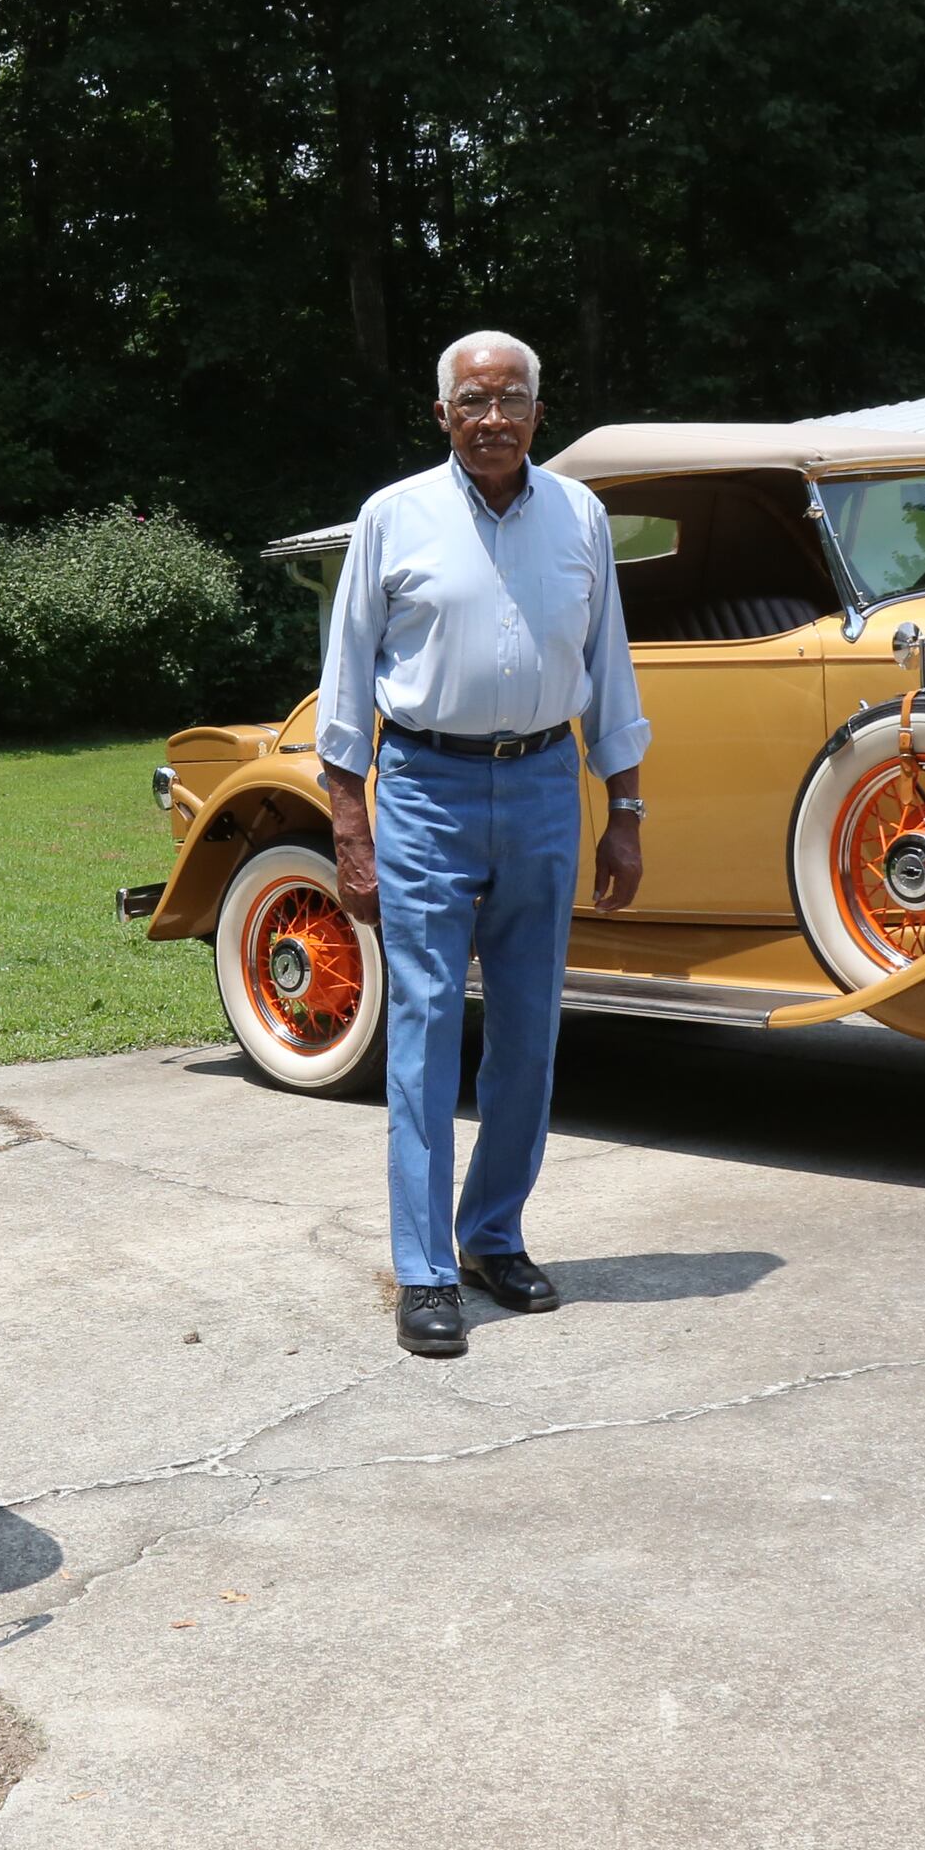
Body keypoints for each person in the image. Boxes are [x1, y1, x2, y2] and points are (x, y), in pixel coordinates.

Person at [315, 331, 648, 1358]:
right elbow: (347, 681)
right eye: (472, 400)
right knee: (420, 1029)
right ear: (443, 414)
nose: (492, 417)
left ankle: (491, 1234)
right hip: (425, 785)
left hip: (548, 782)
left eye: (510, 399)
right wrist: (349, 825)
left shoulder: (580, 516)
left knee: (529, 1028)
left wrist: (625, 809)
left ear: (537, 412)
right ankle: (422, 1270)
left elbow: (611, 669)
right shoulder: (392, 517)